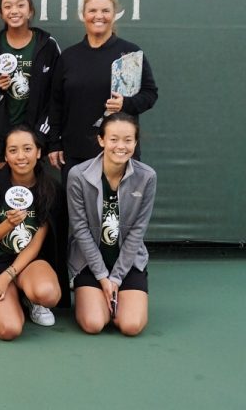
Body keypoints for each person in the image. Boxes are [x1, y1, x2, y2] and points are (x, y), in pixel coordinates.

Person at [46, 0, 157, 303]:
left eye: (105, 11)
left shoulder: (129, 55)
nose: (98, 16)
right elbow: (55, 104)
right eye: (92, 10)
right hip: (76, 151)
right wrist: (54, 141)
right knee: (75, 220)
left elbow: (150, 95)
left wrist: (128, 102)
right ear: (83, 14)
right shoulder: (69, 57)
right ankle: (73, 285)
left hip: (118, 153)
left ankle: (118, 281)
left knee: (119, 218)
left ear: (115, 14)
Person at [0, 126, 63, 340]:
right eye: (13, 150)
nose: (21, 156)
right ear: (5, 155)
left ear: (38, 152)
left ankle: (30, 298)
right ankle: (2, 300)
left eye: (27, 149)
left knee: (47, 293)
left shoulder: (50, 188)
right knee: (9, 329)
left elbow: (37, 242)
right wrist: (8, 225)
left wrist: (8, 276)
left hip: (29, 262)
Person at [68, 113, 155, 336]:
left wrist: (116, 278)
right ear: (101, 140)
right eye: (114, 139)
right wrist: (102, 277)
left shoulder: (147, 177)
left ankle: (117, 296)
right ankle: (93, 296)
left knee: (131, 326)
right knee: (94, 323)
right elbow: (80, 229)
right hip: (88, 262)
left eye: (128, 140)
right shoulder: (78, 175)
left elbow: (138, 230)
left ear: (135, 143)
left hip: (128, 261)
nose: (121, 146)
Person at [0, 0, 60, 170]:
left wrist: (41, 134)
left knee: (30, 190)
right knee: (3, 190)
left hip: (35, 134)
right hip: (0, 135)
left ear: (30, 10)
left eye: (20, 5)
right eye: (7, 7)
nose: (14, 11)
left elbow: (57, 94)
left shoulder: (47, 44)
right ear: (2, 14)